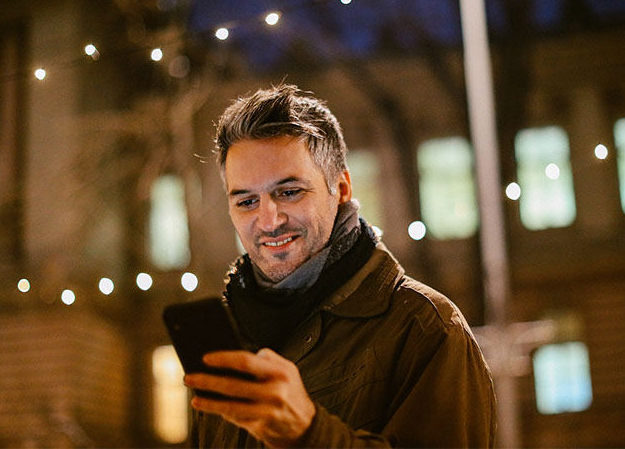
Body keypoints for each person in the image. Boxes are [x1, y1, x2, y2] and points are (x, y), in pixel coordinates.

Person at [184, 84, 497, 448]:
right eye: (246, 201)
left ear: (342, 188)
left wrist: (308, 433)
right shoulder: (229, 337)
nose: (269, 220)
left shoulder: (426, 328)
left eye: (289, 192)